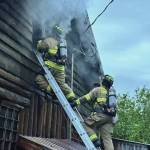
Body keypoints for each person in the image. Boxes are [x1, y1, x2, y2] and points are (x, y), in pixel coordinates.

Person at [71, 75, 117, 150]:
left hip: (101, 115)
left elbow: (86, 98)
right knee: (107, 139)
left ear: (103, 82)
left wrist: (75, 103)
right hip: (111, 118)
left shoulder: (98, 89)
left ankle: (95, 140)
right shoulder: (111, 93)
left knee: (84, 125)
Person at [35, 25, 76, 102]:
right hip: (60, 69)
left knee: (38, 78)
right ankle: (71, 95)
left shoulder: (50, 40)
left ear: (53, 32)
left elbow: (40, 48)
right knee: (62, 84)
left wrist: (39, 42)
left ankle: (51, 90)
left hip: (50, 67)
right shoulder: (63, 42)